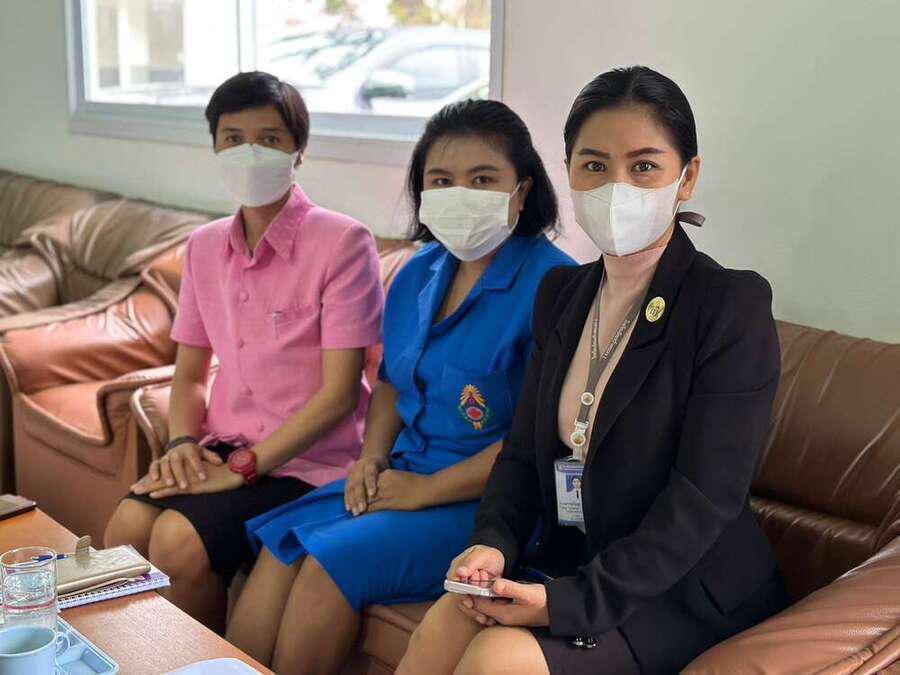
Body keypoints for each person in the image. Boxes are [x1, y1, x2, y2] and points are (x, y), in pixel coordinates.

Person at [399, 66, 790, 675]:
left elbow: (704, 500)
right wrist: (492, 544)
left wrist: (564, 603)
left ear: (687, 177)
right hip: (577, 559)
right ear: (570, 173)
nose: (616, 188)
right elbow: (522, 455)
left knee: (500, 658)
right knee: (448, 618)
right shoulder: (562, 293)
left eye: (644, 166)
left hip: (681, 589)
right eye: (595, 166)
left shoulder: (728, 305)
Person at [226, 99, 575, 673]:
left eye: (482, 179)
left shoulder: (555, 285)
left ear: (522, 190)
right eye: (441, 180)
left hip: (489, 504)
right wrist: (371, 457)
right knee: (279, 547)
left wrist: (424, 492)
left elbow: (538, 442)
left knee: (327, 563)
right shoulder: (418, 272)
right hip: (403, 473)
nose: (459, 193)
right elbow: (390, 382)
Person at [103, 71, 384, 632]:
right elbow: (189, 375)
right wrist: (182, 443)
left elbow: (338, 396)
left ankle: (201, 665)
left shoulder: (343, 242)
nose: (249, 153)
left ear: (298, 150)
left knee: (178, 540)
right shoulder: (204, 246)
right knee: (123, 531)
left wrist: (244, 469)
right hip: (225, 448)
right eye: (233, 139)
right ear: (214, 147)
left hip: (310, 463)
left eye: (269, 138)